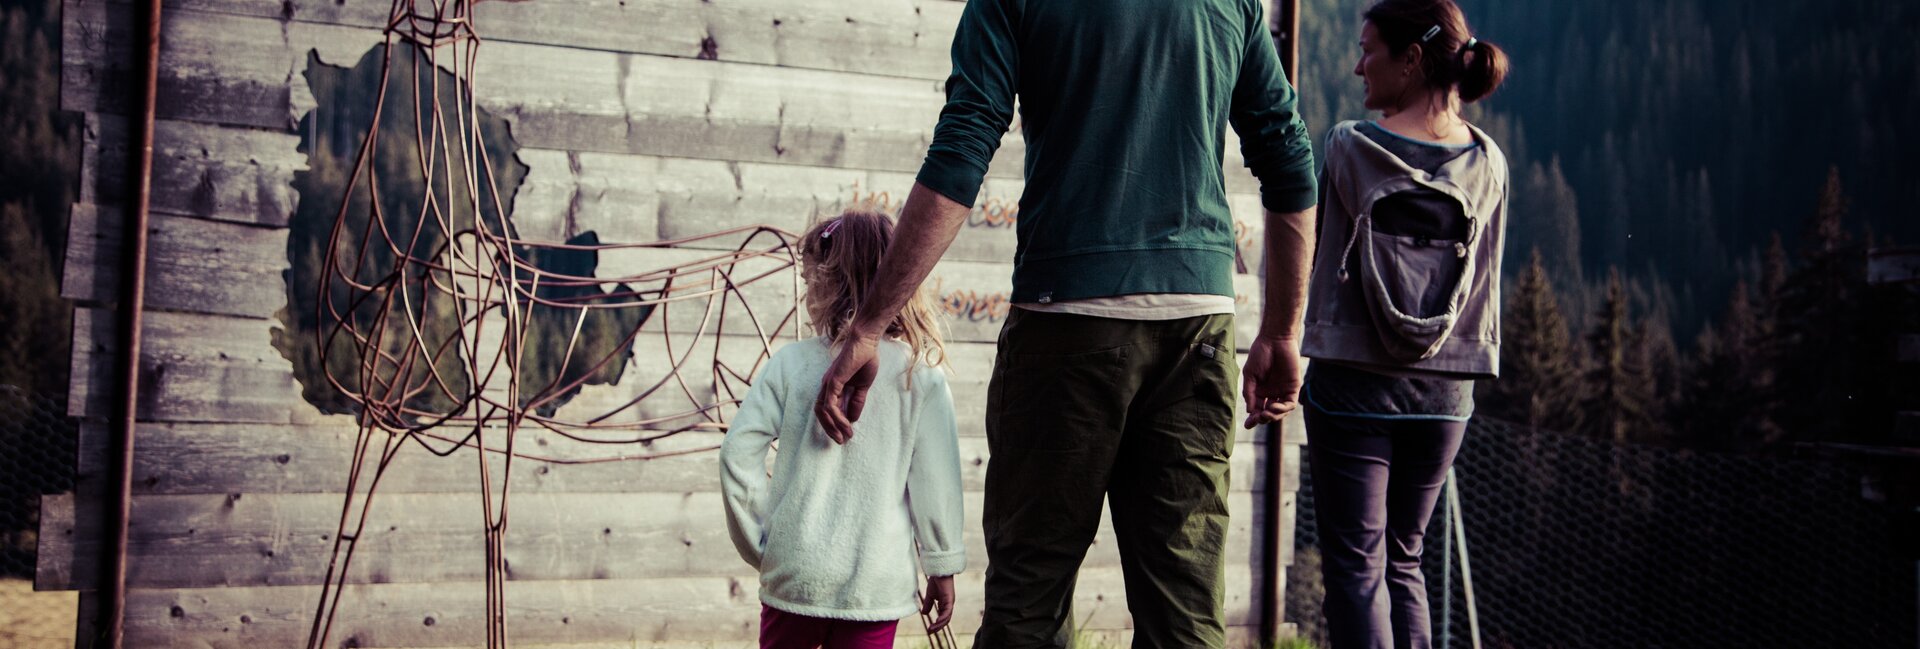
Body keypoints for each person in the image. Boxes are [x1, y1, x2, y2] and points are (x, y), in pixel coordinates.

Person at [810, 0, 1322, 645]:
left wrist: (868, 325)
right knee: (1185, 612)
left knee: (1030, 595)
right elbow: (1287, 151)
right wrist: (1282, 331)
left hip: (1064, 322)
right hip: (1197, 322)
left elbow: (964, 144)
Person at [1298, 1, 1510, 647]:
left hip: (1353, 382)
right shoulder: (1489, 161)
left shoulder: (1348, 147)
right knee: (1405, 559)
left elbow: (1320, 255)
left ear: (1412, 59)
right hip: (1446, 395)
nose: (1358, 64)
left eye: (1369, 50)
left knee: (1358, 567)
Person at [720, 211, 966, 649]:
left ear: (825, 280)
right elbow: (937, 482)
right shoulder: (920, 378)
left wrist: (765, 545)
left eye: (807, 279)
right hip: (874, 583)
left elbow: (737, 455)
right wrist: (941, 564)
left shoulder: (789, 365)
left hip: (794, 577)